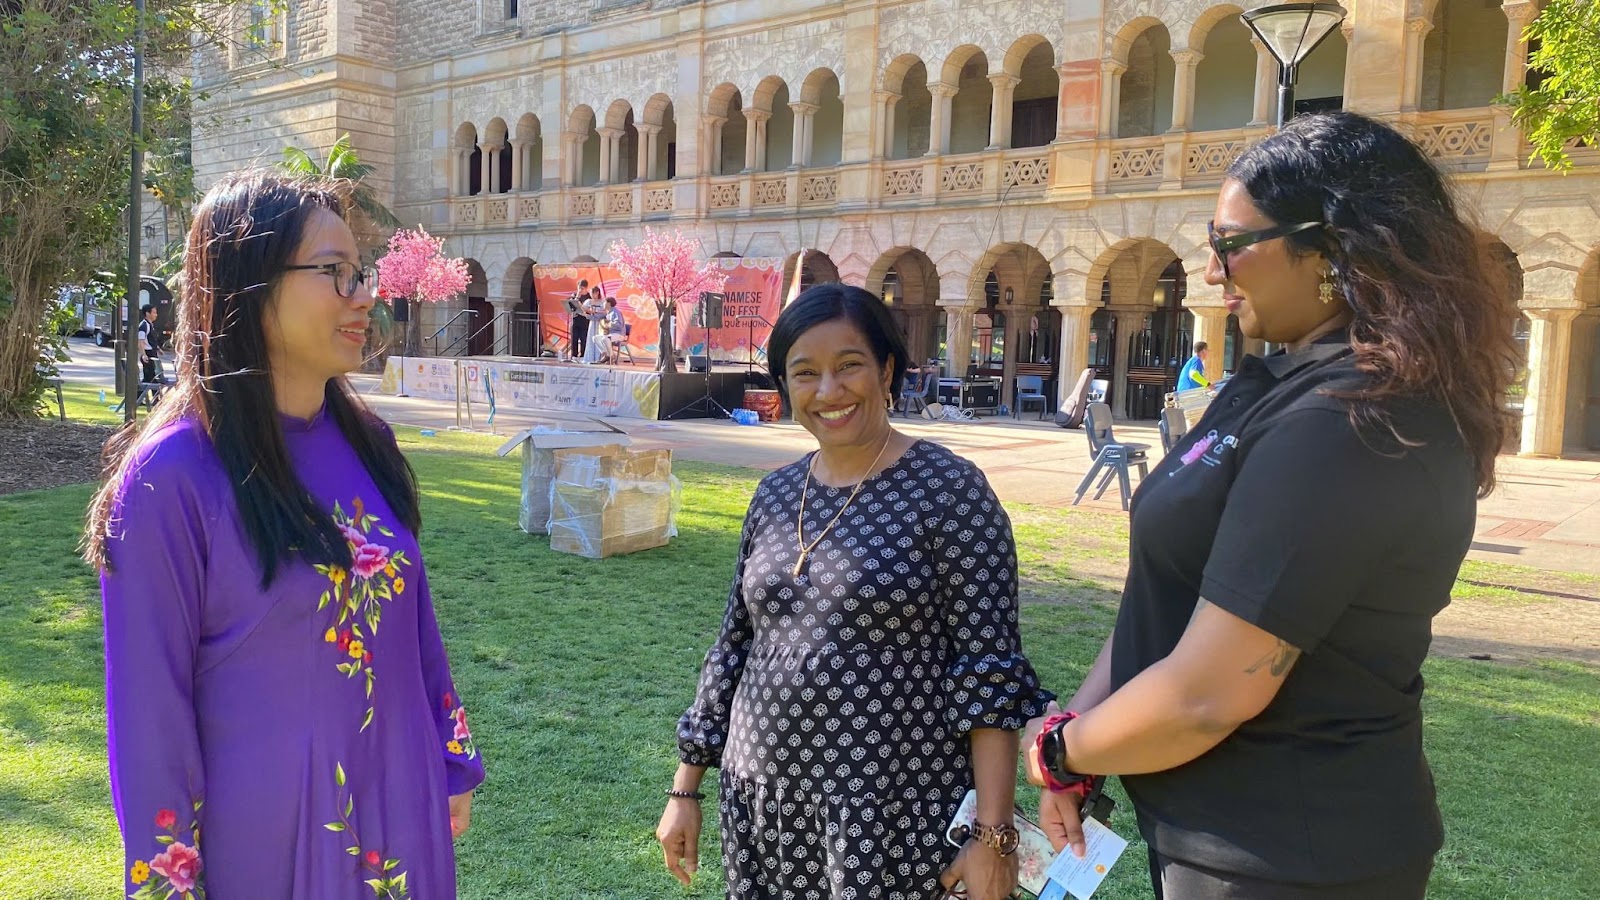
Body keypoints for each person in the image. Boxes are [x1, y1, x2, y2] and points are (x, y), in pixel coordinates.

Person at [1021, 111, 1516, 899]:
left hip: (1289, 853)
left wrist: (1062, 752)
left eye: (1229, 244)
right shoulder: (1274, 386)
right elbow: (1167, 596)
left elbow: (1209, 691)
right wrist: (1074, 732)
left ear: (1330, 250)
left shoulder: (1353, 423)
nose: (1212, 271)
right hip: (1217, 833)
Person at [85, 171, 486, 898]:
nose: (364, 295)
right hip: (270, 846)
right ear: (248, 285)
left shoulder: (370, 442)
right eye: (333, 273)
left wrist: (452, 761)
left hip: (403, 810)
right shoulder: (170, 476)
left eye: (358, 273)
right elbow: (149, 715)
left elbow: (413, 619)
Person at [659, 283, 1054, 900]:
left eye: (849, 367)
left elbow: (989, 673)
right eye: (805, 373)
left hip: (891, 818)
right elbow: (735, 647)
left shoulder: (949, 491)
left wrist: (993, 834)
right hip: (763, 809)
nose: (828, 391)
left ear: (887, 369)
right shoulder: (775, 494)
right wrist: (686, 788)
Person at [137, 304, 160, 384]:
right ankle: (137, 396)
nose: (156, 315)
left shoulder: (150, 325)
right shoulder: (143, 326)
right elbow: (140, 341)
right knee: (152, 379)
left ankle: (139, 396)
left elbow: (150, 339)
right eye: (154, 312)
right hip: (148, 354)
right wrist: (144, 354)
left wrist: (158, 348)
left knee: (151, 379)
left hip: (152, 353)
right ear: (147, 313)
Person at [598, 297, 626, 364]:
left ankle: (611, 357)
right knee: (596, 338)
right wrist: (586, 315)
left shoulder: (616, 312)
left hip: (619, 334)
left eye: (604, 302)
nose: (603, 304)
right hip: (611, 334)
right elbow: (597, 317)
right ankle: (607, 355)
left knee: (605, 339)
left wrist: (609, 324)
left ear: (608, 303)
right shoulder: (608, 313)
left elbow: (619, 324)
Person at [568, 279, 590, 360]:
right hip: (575, 319)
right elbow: (571, 305)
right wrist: (577, 296)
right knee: (574, 338)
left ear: (586, 288)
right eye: (579, 288)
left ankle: (583, 355)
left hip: (584, 321)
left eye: (582, 288)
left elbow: (589, 309)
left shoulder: (589, 296)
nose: (580, 290)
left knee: (583, 338)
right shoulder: (574, 295)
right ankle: (574, 355)